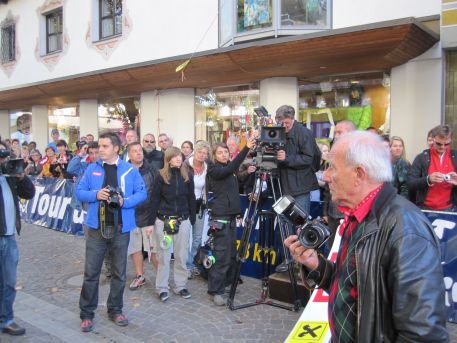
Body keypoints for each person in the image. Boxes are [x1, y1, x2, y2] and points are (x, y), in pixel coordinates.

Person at [285, 131, 449, 343]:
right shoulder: (359, 216)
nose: (325, 176)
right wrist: (317, 265)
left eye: (332, 167)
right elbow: (355, 285)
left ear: (359, 174)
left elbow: (423, 335)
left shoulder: (407, 230)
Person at [76, 132, 146, 332]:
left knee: (119, 273)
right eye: (99, 146)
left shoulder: (129, 170)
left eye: (105, 146)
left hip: (120, 228)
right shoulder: (92, 168)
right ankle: (87, 313)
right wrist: (95, 195)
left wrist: (126, 202)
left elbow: (142, 193)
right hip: (96, 229)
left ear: (116, 148)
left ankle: (115, 309)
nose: (100, 150)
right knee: (91, 273)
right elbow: (79, 192)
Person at [206, 135, 256, 306]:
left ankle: (226, 284)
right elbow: (233, 168)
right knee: (221, 256)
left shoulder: (229, 168)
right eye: (219, 153)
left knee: (231, 254)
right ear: (214, 155)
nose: (223, 155)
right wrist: (246, 147)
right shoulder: (214, 169)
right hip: (220, 217)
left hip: (231, 216)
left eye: (225, 152)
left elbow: (235, 177)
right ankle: (215, 291)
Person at [149, 147, 196, 302]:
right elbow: (154, 200)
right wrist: (151, 223)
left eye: (180, 156)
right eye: (174, 156)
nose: (178, 159)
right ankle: (162, 288)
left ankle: (180, 285)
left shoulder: (188, 175)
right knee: (164, 256)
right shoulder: (160, 176)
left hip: (183, 220)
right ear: (168, 159)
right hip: (163, 221)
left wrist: (192, 219)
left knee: (182, 256)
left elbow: (191, 198)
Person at [0, 141, 35, 336]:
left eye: (5, 155)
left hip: (9, 237)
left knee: (9, 282)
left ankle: (7, 319)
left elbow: (29, 194)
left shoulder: (11, 174)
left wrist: (21, 177)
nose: (3, 159)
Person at [275, 105, 320, 216]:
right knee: (286, 222)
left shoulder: (304, 133)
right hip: (284, 185)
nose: (284, 126)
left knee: (300, 221)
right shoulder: (278, 132)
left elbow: (309, 158)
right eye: (281, 123)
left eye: (287, 123)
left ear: (293, 119)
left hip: (300, 186)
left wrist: (287, 158)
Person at [125, 142, 157, 290]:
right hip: (131, 215)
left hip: (150, 216)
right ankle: (140, 276)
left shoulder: (152, 169)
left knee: (154, 250)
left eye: (140, 150)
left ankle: (162, 279)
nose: (139, 153)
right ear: (129, 154)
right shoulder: (123, 170)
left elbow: (157, 193)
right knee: (135, 249)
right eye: (135, 151)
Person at [408, 124, 457, 211]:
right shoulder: (421, 158)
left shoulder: (455, 156)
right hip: (425, 208)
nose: (442, 147)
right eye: (439, 144)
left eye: (447, 144)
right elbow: (410, 184)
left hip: (450, 208)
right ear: (432, 139)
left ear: (451, 140)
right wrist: (428, 179)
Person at [323, 120, 356, 245]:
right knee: (333, 251)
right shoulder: (334, 155)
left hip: (351, 215)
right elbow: (327, 188)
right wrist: (325, 212)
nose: (336, 136)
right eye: (335, 132)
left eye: (339, 132)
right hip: (333, 214)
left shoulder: (360, 155)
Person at [185, 141, 210, 276]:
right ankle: (184, 265)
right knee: (184, 237)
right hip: (186, 205)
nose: (202, 155)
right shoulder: (185, 165)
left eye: (205, 153)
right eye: (200, 152)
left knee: (197, 237)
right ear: (195, 151)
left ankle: (191, 263)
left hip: (200, 205)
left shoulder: (207, 167)